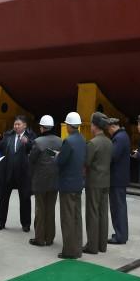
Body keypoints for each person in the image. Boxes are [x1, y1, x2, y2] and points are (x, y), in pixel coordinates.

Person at [0, 114, 35, 232]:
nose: (16, 126)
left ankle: (26, 224)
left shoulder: (31, 136)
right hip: (8, 172)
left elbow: (34, 149)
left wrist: (27, 143)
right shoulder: (8, 135)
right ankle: (0, 222)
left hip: (23, 174)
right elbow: (2, 148)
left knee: (25, 199)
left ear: (25, 125)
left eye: (18, 124)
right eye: (15, 124)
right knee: (3, 198)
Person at [56, 111, 86, 259]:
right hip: (78, 183)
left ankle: (69, 251)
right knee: (76, 217)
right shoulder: (82, 139)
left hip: (67, 185)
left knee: (67, 218)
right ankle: (78, 248)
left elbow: (60, 161)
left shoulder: (68, 141)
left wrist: (56, 156)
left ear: (68, 126)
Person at [28, 115, 60, 247]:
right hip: (55, 180)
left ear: (42, 128)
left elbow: (31, 160)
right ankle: (50, 237)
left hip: (40, 181)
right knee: (50, 209)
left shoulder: (38, 142)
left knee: (40, 210)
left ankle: (39, 238)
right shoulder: (60, 141)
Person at [83, 113, 112, 255]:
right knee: (103, 213)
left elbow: (86, 162)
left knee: (92, 213)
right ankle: (102, 245)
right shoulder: (109, 142)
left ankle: (92, 246)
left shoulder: (93, 143)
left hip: (94, 182)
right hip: (106, 181)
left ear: (94, 126)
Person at [106, 117, 130, 244]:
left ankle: (120, 236)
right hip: (120, 178)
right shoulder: (123, 136)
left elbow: (113, 156)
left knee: (117, 208)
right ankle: (121, 234)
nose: (108, 132)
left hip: (117, 179)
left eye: (108, 129)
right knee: (120, 206)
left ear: (112, 127)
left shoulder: (118, 138)